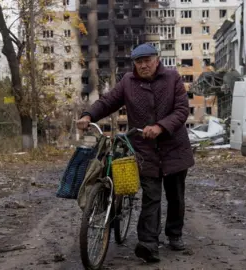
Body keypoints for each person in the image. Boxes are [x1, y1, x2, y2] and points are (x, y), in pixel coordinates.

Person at [76, 43, 195, 263]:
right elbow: (108, 102)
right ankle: (148, 244)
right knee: (151, 196)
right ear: (134, 64)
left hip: (174, 148)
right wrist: (88, 115)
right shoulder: (128, 83)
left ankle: (174, 233)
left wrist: (160, 127)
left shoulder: (172, 79)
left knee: (175, 196)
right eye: (139, 62)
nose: (143, 65)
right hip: (145, 150)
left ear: (157, 60)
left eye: (147, 60)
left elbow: (181, 110)